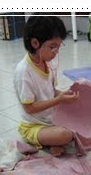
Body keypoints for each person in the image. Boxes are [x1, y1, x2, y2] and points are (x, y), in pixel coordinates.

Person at [14, 15, 77, 156]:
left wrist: (64, 94)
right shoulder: (23, 72)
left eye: (59, 46)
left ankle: (52, 139)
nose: (56, 51)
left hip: (51, 118)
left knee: (81, 114)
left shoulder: (49, 62)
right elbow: (29, 107)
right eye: (52, 47)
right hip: (33, 126)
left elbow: (51, 91)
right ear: (35, 43)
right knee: (65, 135)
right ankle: (50, 140)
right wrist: (59, 100)